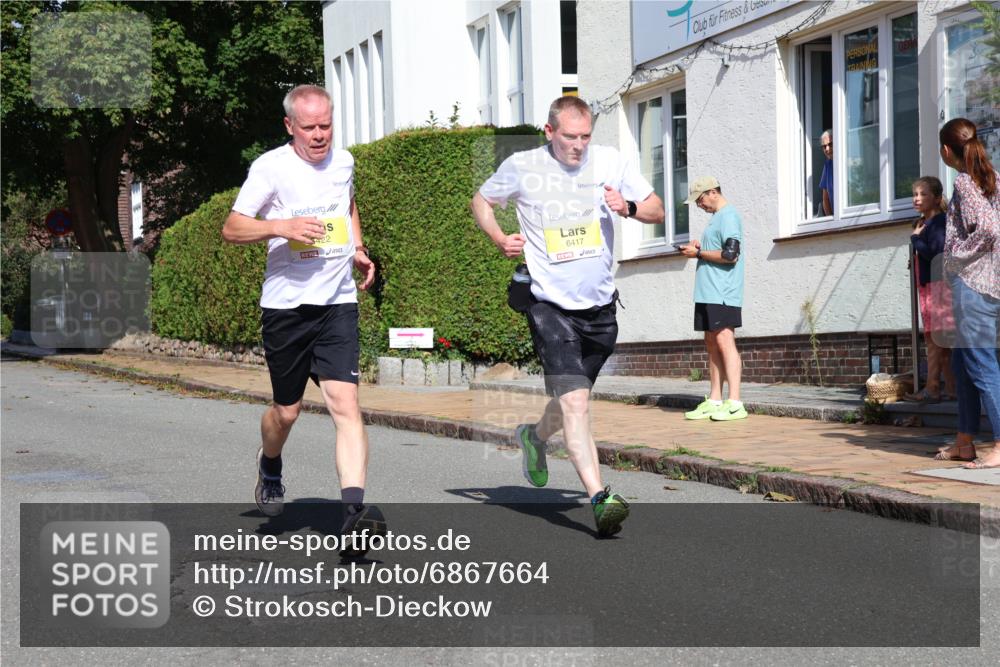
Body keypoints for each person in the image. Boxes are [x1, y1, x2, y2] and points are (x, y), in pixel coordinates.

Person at [471, 96, 665, 537]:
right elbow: (480, 200)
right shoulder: (523, 166)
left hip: (599, 308)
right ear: (549, 131)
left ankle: (534, 438)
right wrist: (500, 237)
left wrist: (628, 208)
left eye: (584, 137)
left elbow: (658, 209)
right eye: (569, 137)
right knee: (576, 402)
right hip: (549, 306)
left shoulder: (610, 162)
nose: (578, 146)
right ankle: (601, 497)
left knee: (567, 402)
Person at [222, 84, 384, 555]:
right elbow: (232, 227)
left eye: (326, 125)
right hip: (286, 309)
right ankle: (270, 463)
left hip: (337, 303)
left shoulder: (345, 162)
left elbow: (346, 203)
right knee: (286, 412)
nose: (320, 136)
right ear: (289, 126)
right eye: (309, 127)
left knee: (346, 407)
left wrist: (356, 247)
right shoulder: (270, 168)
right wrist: (280, 226)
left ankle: (353, 516)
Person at [933, 118, 1000, 468]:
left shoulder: (963, 181)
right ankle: (964, 441)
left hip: (973, 286)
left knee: (981, 362)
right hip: (989, 284)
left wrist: (956, 255)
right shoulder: (991, 178)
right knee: (963, 364)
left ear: (947, 150)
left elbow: (989, 229)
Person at [679, 177, 747, 421]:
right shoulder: (715, 219)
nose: (699, 205)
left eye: (700, 199)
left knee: (725, 340)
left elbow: (730, 255)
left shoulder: (729, 216)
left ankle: (735, 402)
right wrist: (700, 246)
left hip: (723, 292)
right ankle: (716, 399)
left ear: (712, 192)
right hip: (708, 292)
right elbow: (716, 249)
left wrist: (697, 253)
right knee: (711, 342)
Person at [904, 176, 957, 409]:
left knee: (935, 338)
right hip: (929, 286)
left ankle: (933, 387)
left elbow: (935, 255)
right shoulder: (926, 223)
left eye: (923, 194)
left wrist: (916, 240)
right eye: (915, 194)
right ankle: (952, 389)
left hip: (938, 287)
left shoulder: (938, 223)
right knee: (939, 340)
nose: (917, 198)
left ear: (936, 198)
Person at [819, 130, 834, 216]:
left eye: (830, 144)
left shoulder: (845, 164)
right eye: (824, 146)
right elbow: (825, 199)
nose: (827, 149)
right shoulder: (828, 164)